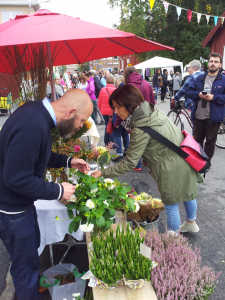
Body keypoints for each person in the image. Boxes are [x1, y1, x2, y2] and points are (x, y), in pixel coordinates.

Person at [0, 89, 92, 300]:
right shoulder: (34, 125)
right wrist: (58, 190)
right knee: (25, 270)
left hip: (18, 207)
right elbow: (15, 178)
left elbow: (38, 153)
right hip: (12, 211)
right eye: (82, 120)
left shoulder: (36, 113)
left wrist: (68, 161)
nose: (81, 126)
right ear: (71, 112)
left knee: (29, 262)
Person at [92, 84, 202, 234]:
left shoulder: (140, 128)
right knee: (188, 193)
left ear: (130, 104)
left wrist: (103, 173)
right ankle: (191, 223)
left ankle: (173, 242)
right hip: (184, 157)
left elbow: (130, 162)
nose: (116, 112)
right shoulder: (151, 110)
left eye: (118, 107)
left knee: (171, 204)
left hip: (170, 166)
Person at [187, 53, 225, 161]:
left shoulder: (223, 80)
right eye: (211, 61)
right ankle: (197, 162)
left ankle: (206, 163)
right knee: (197, 141)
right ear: (208, 63)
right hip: (198, 116)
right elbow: (189, 92)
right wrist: (198, 94)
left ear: (220, 65)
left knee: (210, 142)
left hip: (213, 118)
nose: (213, 64)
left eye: (216, 62)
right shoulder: (199, 78)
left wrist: (214, 97)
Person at [124, 66, 155, 170]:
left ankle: (137, 165)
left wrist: (118, 121)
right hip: (147, 115)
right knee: (147, 138)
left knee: (135, 140)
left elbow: (124, 105)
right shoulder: (146, 83)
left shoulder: (127, 86)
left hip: (134, 117)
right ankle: (146, 161)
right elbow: (152, 101)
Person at [112, 75, 129, 162]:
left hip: (119, 118)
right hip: (126, 118)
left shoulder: (119, 92)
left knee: (117, 135)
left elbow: (117, 109)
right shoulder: (127, 91)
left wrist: (116, 122)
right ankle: (127, 150)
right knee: (125, 134)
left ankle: (119, 153)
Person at [98, 75, 116, 146]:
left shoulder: (103, 89)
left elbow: (99, 102)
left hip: (104, 112)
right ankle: (111, 143)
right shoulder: (115, 90)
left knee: (107, 126)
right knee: (111, 127)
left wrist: (101, 110)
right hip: (113, 112)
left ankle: (106, 142)